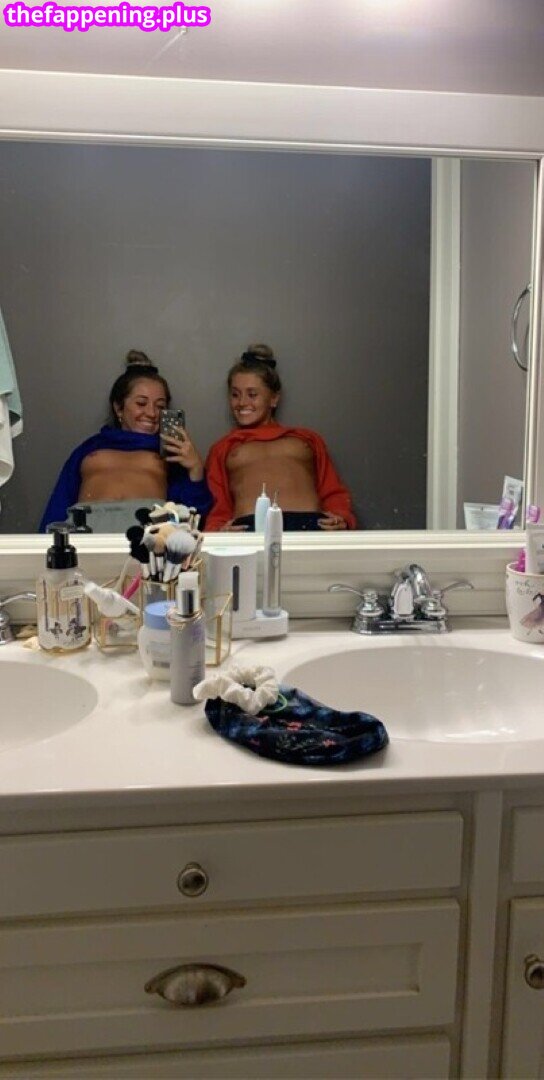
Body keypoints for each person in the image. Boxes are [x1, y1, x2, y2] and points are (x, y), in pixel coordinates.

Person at [40, 350, 211, 531]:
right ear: (119, 408)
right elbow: (60, 502)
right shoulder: (90, 448)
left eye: (160, 406)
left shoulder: (171, 451)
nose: (152, 413)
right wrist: (43, 542)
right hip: (88, 529)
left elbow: (191, 516)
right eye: (141, 403)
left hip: (146, 531)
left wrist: (196, 468)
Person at [205, 344, 356, 531]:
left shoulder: (306, 438)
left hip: (312, 525)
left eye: (252, 394)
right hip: (249, 528)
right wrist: (219, 531)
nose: (242, 402)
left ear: (274, 398)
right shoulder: (224, 447)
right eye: (235, 395)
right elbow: (218, 504)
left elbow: (332, 490)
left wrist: (341, 518)